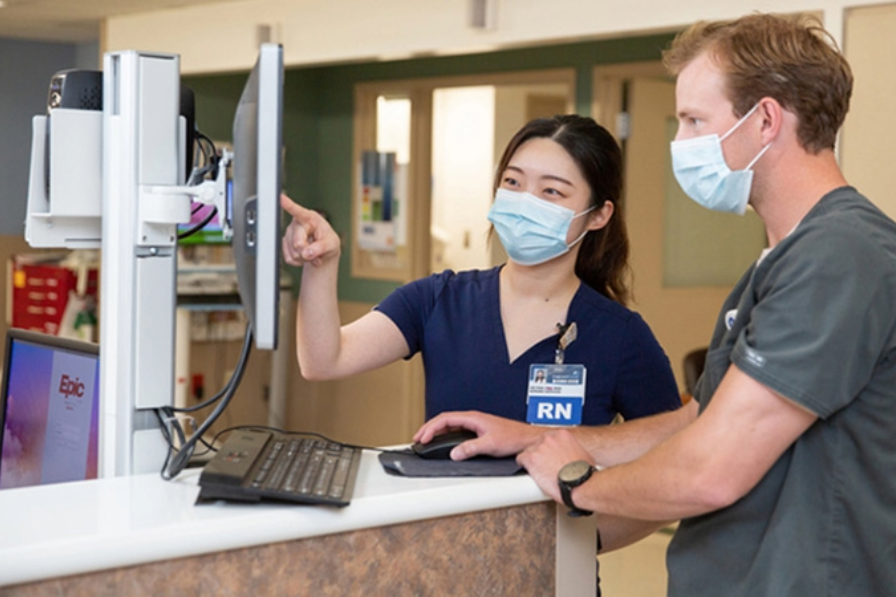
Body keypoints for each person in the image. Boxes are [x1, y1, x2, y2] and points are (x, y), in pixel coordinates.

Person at [420, 13, 896, 595]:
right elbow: (701, 421)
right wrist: (533, 438)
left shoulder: (838, 256)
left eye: (695, 120)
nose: (680, 143)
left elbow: (711, 468)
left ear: (766, 119)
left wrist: (576, 481)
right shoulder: (782, 261)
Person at [281, 114, 681, 435]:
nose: (525, 202)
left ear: (598, 215)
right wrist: (322, 263)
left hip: (559, 536)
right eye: (513, 182)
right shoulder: (439, 300)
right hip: (447, 529)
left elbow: (670, 452)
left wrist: (594, 536)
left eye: (551, 192)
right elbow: (323, 361)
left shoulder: (619, 336)